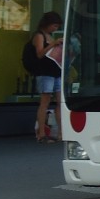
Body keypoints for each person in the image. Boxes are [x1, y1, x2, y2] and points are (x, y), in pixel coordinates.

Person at [29, 11, 63, 143]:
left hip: (55, 71)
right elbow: (39, 54)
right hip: (45, 72)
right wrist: (53, 44)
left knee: (60, 102)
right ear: (47, 24)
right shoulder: (39, 36)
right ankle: (41, 133)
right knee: (45, 102)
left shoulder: (49, 36)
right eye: (54, 26)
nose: (56, 29)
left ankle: (61, 132)